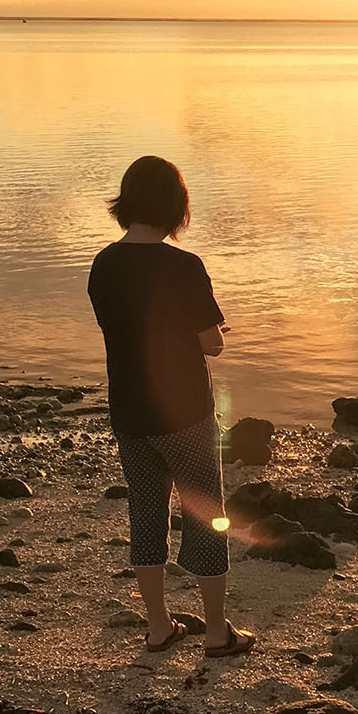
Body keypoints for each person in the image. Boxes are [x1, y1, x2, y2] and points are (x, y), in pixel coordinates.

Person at [86, 156, 255, 659]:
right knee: (205, 513)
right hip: (183, 413)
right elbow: (211, 345)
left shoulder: (103, 264)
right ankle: (217, 632)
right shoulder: (184, 266)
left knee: (145, 512)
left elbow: (124, 329)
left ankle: (159, 627)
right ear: (176, 206)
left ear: (127, 203)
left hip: (130, 411)